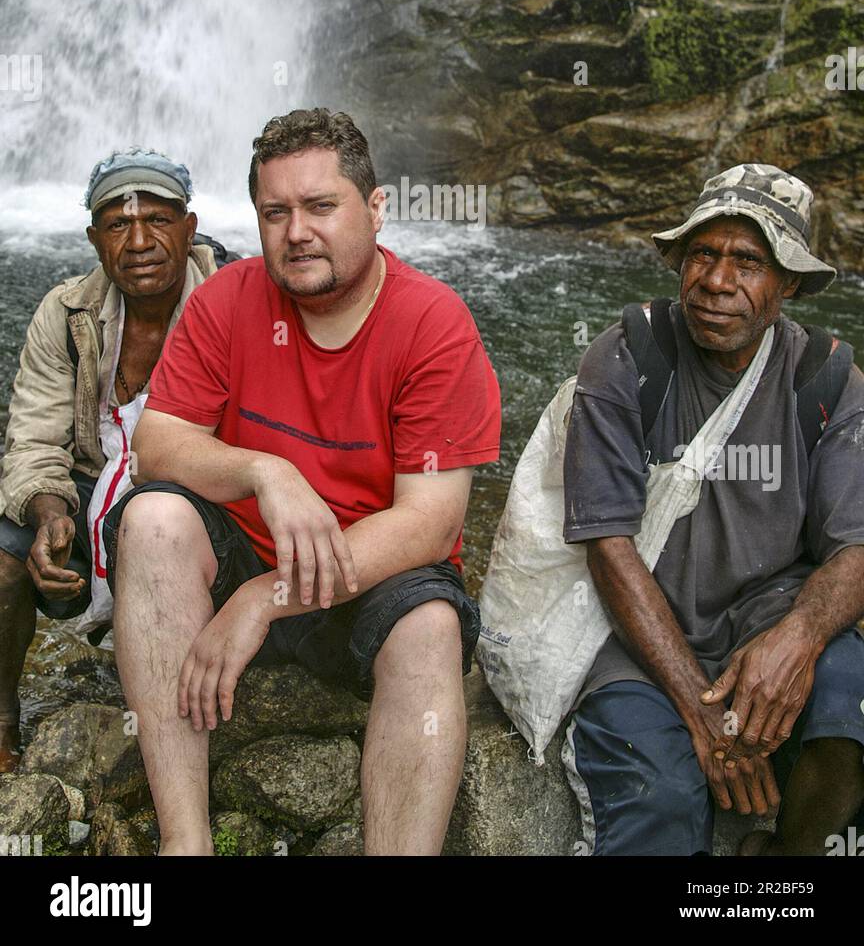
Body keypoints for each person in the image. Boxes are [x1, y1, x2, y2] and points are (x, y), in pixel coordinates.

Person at [105, 107, 501, 856]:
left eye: (322, 206)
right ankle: (185, 844)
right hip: (247, 549)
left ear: (376, 209)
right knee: (152, 521)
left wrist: (269, 598)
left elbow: (432, 525)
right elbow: (157, 445)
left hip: (367, 578)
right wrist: (263, 468)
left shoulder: (434, 324)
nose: (297, 232)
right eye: (275, 212)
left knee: (430, 627)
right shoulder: (226, 298)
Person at [562, 163, 864, 856]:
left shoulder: (829, 379)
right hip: (634, 640)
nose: (718, 282)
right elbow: (608, 547)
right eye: (704, 253)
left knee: (849, 710)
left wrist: (799, 638)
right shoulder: (628, 359)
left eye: (748, 262)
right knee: (660, 801)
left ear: (788, 284)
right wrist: (705, 717)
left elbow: (855, 547)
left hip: (768, 622)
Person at [0, 149, 227, 773]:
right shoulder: (65, 313)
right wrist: (49, 514)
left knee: (157, 526)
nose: (140, 241)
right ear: (94, 237)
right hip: (92, 486)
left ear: (190, 225)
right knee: (1, 555)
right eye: (118, 224)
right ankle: (2, 723)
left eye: (158, 219)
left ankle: (193, 717)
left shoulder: (239, 304)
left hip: (197, 498)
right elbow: (34, 443)